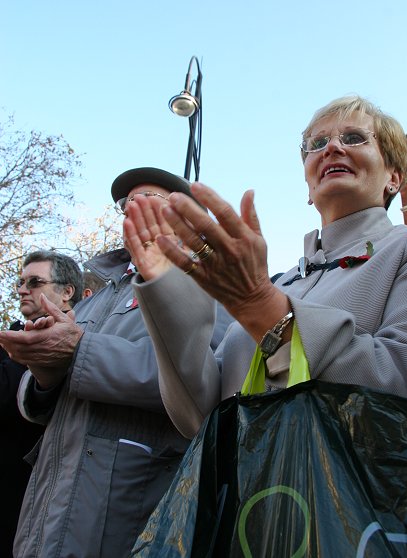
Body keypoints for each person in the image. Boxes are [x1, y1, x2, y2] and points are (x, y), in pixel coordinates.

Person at [122, 95, 407, 440]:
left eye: (353, 138)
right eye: (317, 144)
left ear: (394, 178)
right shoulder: (280, 283)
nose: (332, 148)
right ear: (309, 188)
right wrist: (164, 288)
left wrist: (262, 308)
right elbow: (198, 417)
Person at [0, 167, 233, 558]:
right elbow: (48, 393)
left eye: (148, 200)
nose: (132, 208)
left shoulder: (209, 284)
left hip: (130, 505)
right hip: (46, 510)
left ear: (183, 215)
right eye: (127, 204)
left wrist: (78, 352)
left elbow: (204, 380)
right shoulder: (96, 297)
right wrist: (43, 373)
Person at [0, 250, 82, 558]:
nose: (22, 289)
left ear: (66, 292)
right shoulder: (10, 337)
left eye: (34, 281)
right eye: (20, 282)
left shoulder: (86, 339)